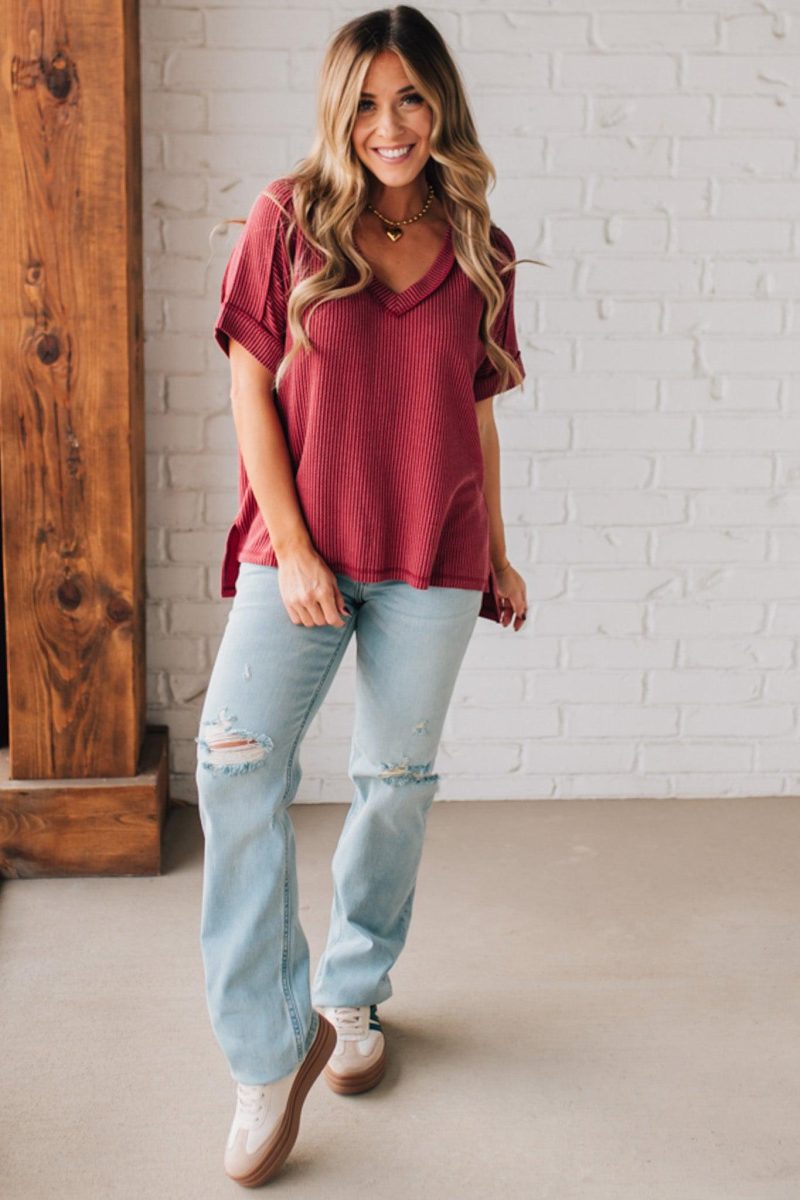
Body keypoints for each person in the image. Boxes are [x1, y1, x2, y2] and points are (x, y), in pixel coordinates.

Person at [195, 4, 536, 1187]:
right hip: (301, 550)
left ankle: (351, 997)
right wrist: (289, 549)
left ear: (438, 104)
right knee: (234, 765)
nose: (388, 123)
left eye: (409, 98)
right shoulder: (287, 218)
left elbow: (475, 409)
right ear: (337, 107)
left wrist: (494, 546)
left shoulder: (475, 241)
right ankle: (263, 1050)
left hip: (432, 556)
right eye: (366, 99)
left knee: (393, 785)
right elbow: (251, 389)